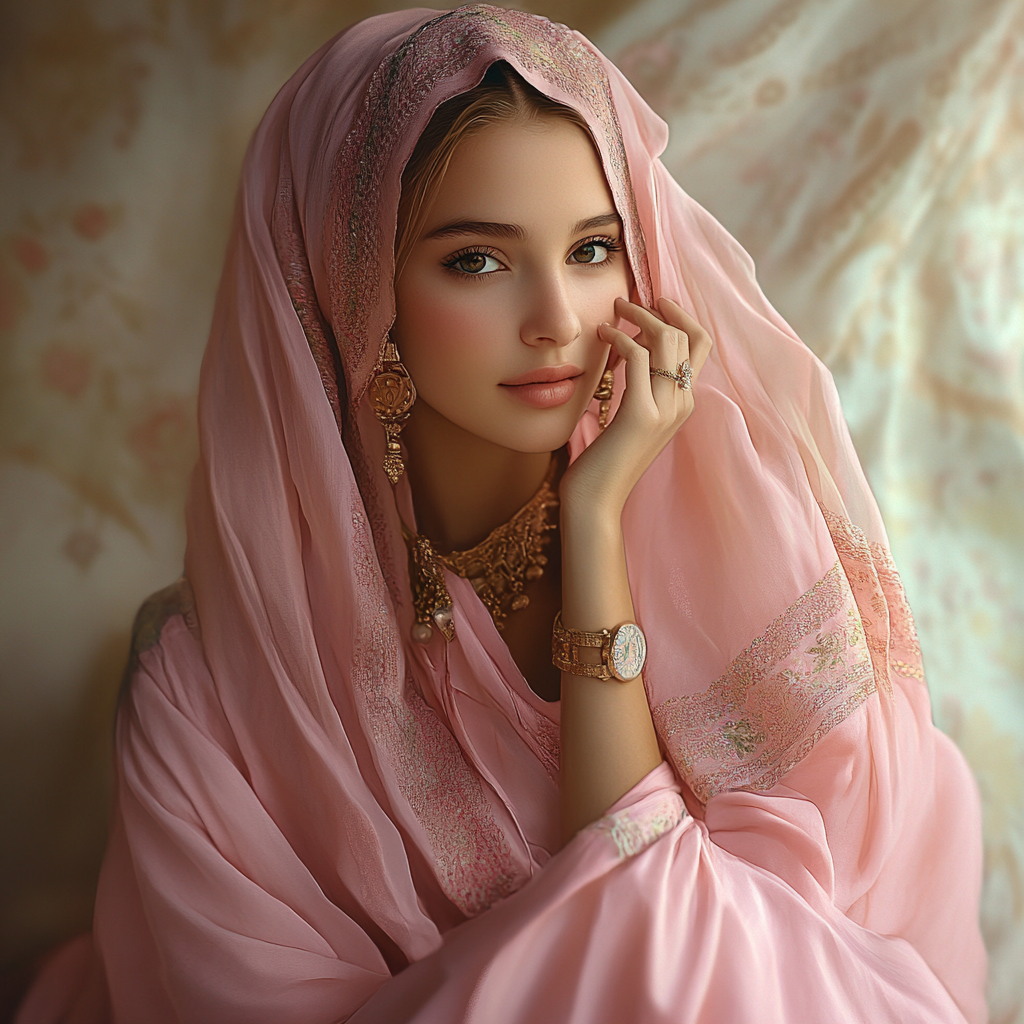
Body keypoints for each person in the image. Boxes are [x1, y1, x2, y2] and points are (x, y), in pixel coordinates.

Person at [16, 6, 987, 1023]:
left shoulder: (736, 542)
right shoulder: (217, 689)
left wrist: (596, 515)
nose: (558, 320)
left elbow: (811, 955)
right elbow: (643, 921)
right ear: (357, 295)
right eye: (476, 259)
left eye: (592, 249)